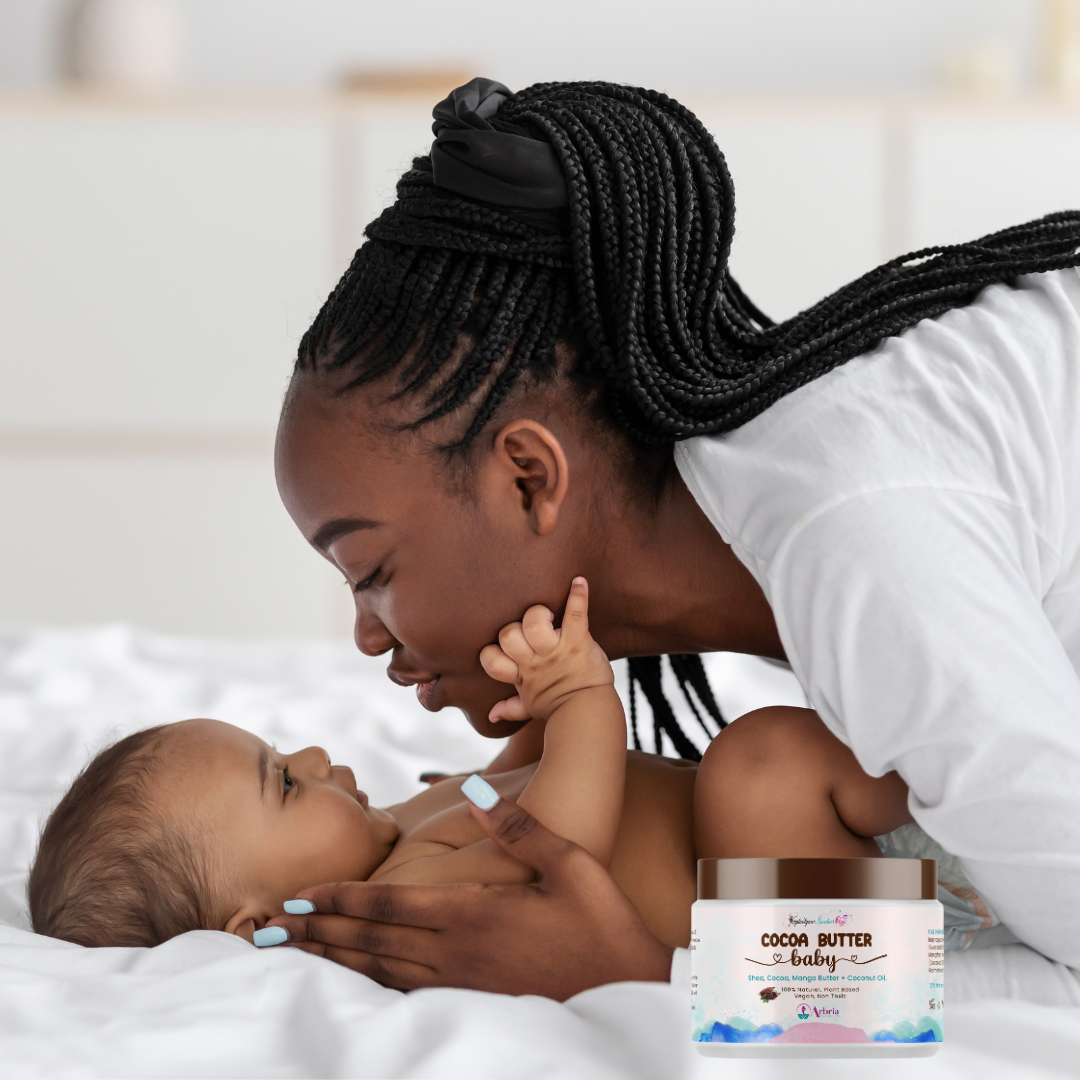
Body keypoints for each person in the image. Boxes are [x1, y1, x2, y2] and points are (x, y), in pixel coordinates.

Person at [264, 76, 1080, 995]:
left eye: (369, 569)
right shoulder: (810, 518)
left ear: (529, 478)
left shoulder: (858, 545)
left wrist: (662, 976)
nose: (368, 634)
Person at [27, 580, 915, 952]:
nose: (311, 754)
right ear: (256, 921)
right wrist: (577, 700)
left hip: (787, 850)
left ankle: (940, 790)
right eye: (284, 783)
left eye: (280, 748)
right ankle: (941, 785)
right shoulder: (402, 899)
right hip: (771, 905)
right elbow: (557, 839)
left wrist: (524, 715)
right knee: (757, 764)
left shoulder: (402, 835)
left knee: (775, 752)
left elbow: (512, 785)